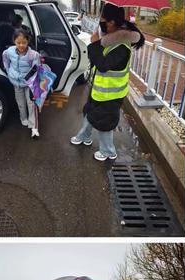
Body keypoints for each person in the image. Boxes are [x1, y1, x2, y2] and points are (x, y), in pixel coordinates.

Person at [70, 3, 144, 161]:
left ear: (110, 23)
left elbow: (103, 65)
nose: (100, 22)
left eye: (102, 19)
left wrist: (95, 44)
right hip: (100, 91)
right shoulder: (111, 40)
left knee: (105, 122)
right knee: (89, 112)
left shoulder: (122, 47)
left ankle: (108, 152)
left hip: (110, 95)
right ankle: (84, 136)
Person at [2, 29, 41, 138]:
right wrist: (9, 71)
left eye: (24, 42)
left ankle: (34, 127)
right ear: (14, 41)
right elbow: (5, 58)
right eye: (18, 42)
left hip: (29, 85)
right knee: (20, 102)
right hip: (16, 83)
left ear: (28, 41)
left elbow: (36, 69)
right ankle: (23, 119)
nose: (21, 45)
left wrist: (26, 78)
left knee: (31, 105)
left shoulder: (33, 55)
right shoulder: (9, 51)